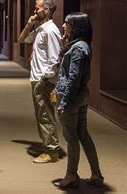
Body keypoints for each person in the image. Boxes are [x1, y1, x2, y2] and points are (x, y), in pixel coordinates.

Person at [53, 12, 104, 188]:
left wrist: (64, 102)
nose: (63, 26)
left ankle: (71, 174)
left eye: (66, 23)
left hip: (71, 98)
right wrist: (64, 45)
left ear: (75, 26)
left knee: (71, 136)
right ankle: (96, 174)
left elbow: (72, 78)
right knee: (83, 133)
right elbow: (66, 69)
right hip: (81, 96)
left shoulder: (77, 48)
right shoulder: (80, 45)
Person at [19, 0, 62, 163]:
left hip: (43, 80)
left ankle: (51, 152)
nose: (34, 11)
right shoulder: (40, 29)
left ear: (47, 10)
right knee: (42, 114)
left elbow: (55, 59)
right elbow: (22, 39)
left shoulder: (50, 31)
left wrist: (45, 79)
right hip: (37, 78)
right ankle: (48, 145)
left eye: (38, 8)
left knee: (45, 115)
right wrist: (30, 24)